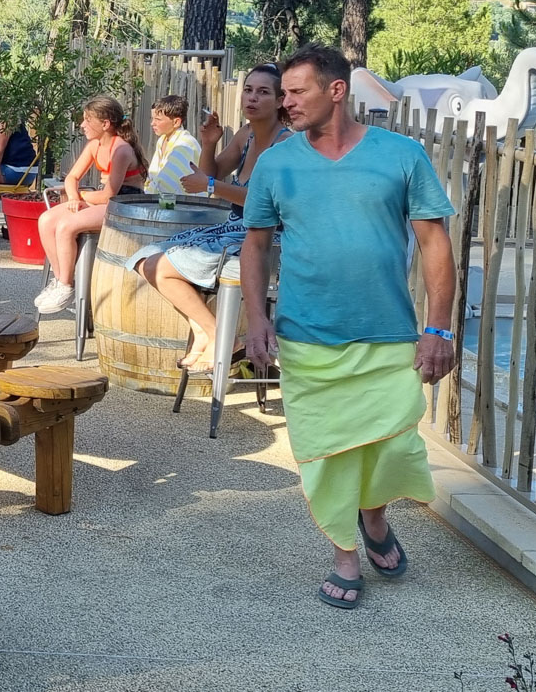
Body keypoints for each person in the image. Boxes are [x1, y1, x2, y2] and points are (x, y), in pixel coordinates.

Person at [240, 45, 455, 610]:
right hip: (307, 334)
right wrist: (256, 318)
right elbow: (255, 245)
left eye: (296, 92)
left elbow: (435, 243)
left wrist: (439, 329)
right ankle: (344, 554)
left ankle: (373, 517)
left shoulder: (402, 155)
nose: (285, 103)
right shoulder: (276, 164)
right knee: (327, 453)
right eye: (282, 94)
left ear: (336, 90)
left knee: (392, 445)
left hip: (388, 333)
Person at [133, 66, 291, 371]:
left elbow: (268, 205)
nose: (252, 98)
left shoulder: (285, 144)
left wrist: (210, 186)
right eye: (248, 90)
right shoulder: (246, 135)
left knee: (161, 268)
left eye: (263, 92)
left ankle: (218, 336)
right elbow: (210, 172)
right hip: (232, 228)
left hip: (263, 239)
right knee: (144, 260)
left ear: (280, 100)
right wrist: (209, 143)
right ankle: (210, 332)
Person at [35, 97, 146, 314]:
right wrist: (73, 197)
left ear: (105, 124)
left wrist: (82, 196)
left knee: (67, 225)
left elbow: (109, 195)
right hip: (103, 198)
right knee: (46, 219)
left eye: (87, 120)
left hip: (125, 203)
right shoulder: (94, 145)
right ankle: (61, 280)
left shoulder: (121, 150)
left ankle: (67, 284)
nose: (82, 125)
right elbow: (72, 177)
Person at [143, 94, 200, 197]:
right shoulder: (161, 141)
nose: (152, 123)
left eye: (158, 119)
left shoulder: (186, 144)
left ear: (176, 122)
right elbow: (153, 176)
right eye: (152, 119)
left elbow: (169, 182)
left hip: (185, 203)